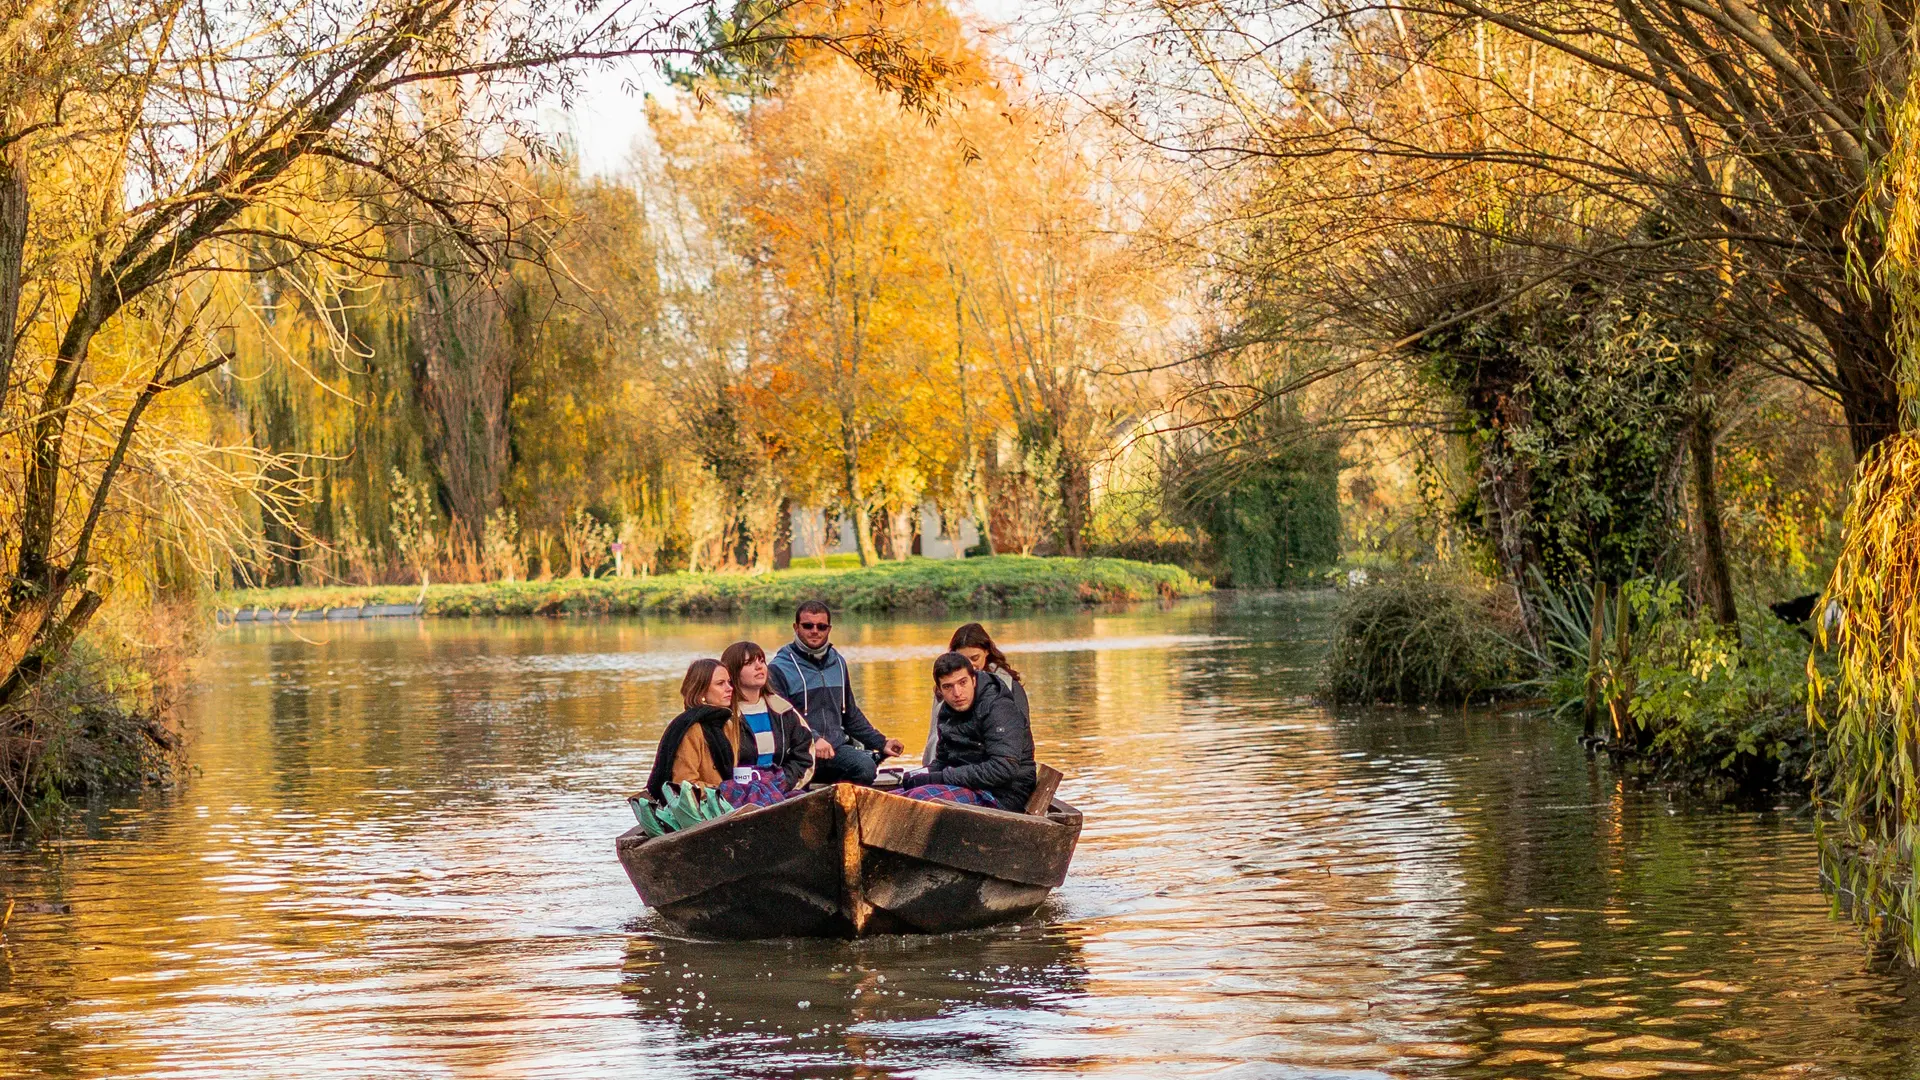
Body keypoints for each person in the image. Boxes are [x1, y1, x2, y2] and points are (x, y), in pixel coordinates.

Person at [768, 600, 905, 786]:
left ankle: (842, 805)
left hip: (836, 750)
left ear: (829, 629)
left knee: (865, 767)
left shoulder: (838, 663)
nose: (815, 631)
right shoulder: (778, 668)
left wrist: (881, 743)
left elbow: (850, 714)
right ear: (796, 627)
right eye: (808, 626)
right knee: (783, 783)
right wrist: (814, 739)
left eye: (821, 626)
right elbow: (783, 720)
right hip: (798, 753)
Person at [899, 652, 1036, 809]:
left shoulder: (999, 708)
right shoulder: (947, 710)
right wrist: (921, 774)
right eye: (948, 687)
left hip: (1003, 794)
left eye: (962, 683)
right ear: (939, 689)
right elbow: (943, 759)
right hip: (969, 785)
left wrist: (939, 778)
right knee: (894, 796)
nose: (957, 693)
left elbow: (1002, 769)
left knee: (919, 799)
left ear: (973, 680)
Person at [644, 658, 785, 809]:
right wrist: (725, 789)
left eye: (729, 682)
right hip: (704, 807)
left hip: (724, 804)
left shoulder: (727, 724)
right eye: (720, 684)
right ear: (701, 692)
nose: (729, 688)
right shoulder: (691, 728)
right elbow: (684, 785)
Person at [926, 622, 1028, 765]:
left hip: (995, 767)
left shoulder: (1008, 685)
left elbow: (1020, 735)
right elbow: (935, 735)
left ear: (987, 652)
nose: (970, 665)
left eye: (975, 658)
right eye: (963, 659)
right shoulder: (944, 687)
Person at [720, 640, 816, 793]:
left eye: (762, 661)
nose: (759, 667)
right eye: (749, 663)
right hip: (738, 796)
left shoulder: (783, 710)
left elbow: (805, 754)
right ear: (732, 672)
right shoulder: (723, 716)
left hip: (782, 791)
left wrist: (784, 783)